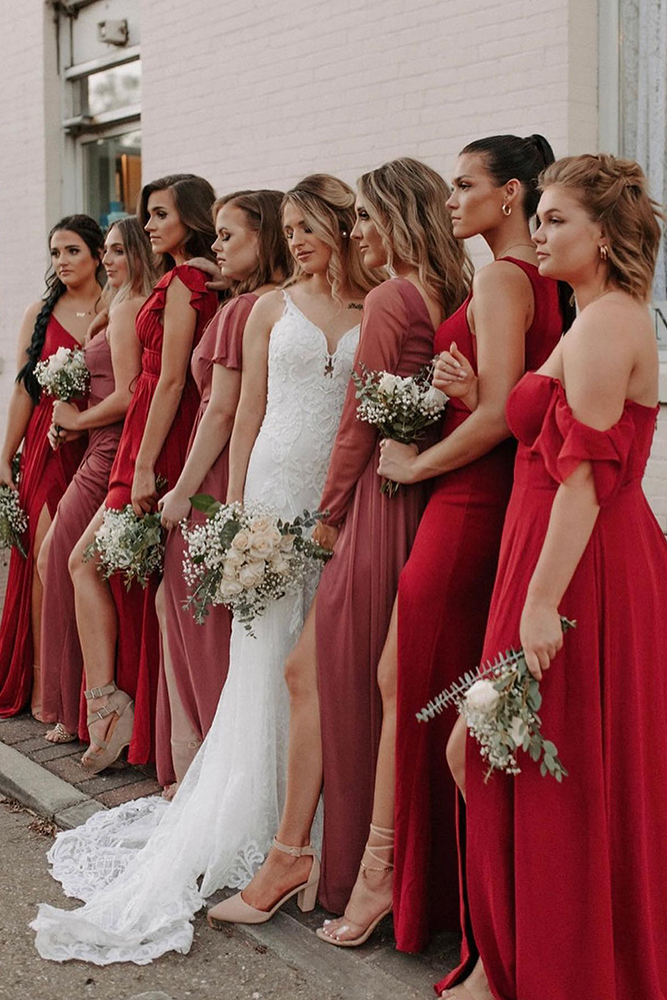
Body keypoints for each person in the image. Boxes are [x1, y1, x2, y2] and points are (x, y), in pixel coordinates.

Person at [33, 174, 379, 965]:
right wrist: (220, 510)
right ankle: (260, 831)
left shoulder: (378, 306)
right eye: (286, 227)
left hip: (342, 500)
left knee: (326, 667)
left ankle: (323, 830)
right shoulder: (264, 310)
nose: (296, 239)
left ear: (337, 224)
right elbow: (241, 411)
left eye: (307, 225)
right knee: (264, 669)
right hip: (269, 498)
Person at [320, 134, 566, 952]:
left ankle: (390, 877)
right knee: (412, 683)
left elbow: (498, 414)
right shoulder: (533, 279)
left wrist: (419, 457)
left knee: (412, 684)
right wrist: (445, 397)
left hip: (465, 505)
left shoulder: (501, 275)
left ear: (511, 196)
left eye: (466, 185)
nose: (451, 198)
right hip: (479, 502)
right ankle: (420, 881)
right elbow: (507, 395)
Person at [220, 158, 471, 933]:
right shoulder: (451, 294)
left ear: (395, 218)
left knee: (314, 673)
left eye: (365, 218)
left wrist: (329, 513)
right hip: (416, 501)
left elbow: (362, 419)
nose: (355, 231)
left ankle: (300, 855)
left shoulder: (396, 294)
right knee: (344, 677)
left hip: (373, 505)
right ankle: (325, 853)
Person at [439, 153, 667, 1000]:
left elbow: (584, 477)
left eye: (556, 218)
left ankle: (548, 969)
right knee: (484, 751)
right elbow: (539, 432)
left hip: (578, 573)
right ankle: (510, 962)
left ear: (604, 234)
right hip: (540, 558)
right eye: (536, 216)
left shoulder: (609, 322)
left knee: (520, 760)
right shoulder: (585, 315)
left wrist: (539, 603)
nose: (537, 230)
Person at [67, 174, 218, 773]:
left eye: (160, 215)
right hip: (148, 436)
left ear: (190, 216)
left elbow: (173, 380)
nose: (148, 225)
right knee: (137, 583)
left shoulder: (185, 280)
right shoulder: (192, 275)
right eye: (147, 215)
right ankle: (132, 719)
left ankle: (110, 708)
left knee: (85, 563)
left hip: (154, 440)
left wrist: (149, 463)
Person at [155, 189, 291, 792]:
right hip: (258, 470)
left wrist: (182, 491)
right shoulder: (289, 302)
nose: (216, 246)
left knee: (197, 616)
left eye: (228, 236)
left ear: (265, 239)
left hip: (215, 476)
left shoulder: (241, 313)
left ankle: (204, 774)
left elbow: (220, 414)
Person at [37, 217, 156, 744]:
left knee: (65, 560)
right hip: (95, 445)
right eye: (104, 251)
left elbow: (132, 394)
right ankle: (72, 701)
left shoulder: (129, 308)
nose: (107, 260)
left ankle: (80, 706)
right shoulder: (117, 303)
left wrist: (76, 420)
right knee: (54, 560)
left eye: (116, 250)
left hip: (111, 449)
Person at [0, 215, 105, 720]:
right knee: (44, 563)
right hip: (46, 446)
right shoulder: (40, 312)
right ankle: (43, 689)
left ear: (97, 256)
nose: (62, 262)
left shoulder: (116, 305)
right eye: (56, 253)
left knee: (77, 565)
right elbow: (24, 388)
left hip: (96, 445)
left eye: (72, 252)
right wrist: (6, 454)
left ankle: (80, 687)